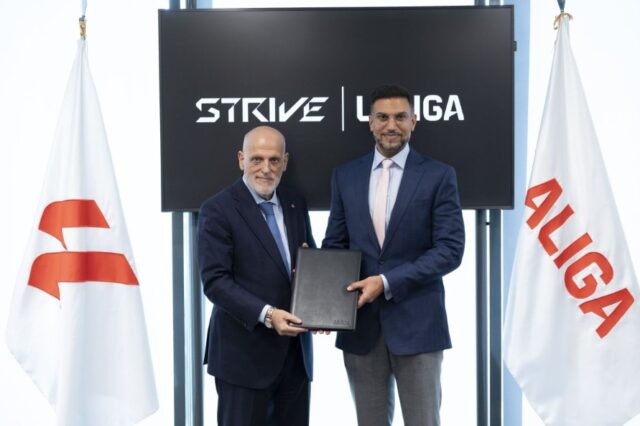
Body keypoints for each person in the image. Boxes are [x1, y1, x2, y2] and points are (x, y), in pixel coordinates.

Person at [322, 85, 465, 426]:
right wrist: (324, 301)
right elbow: (335, 244)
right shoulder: (345, 176)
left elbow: (450, 250)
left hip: (419, 326)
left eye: (400, 117)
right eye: (383, 117)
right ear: (370, 123)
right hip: (361, 328)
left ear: (413, 121)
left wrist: (386, 282)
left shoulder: (438, 175)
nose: (391, 125)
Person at [197, 126, 315, 426]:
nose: (266, 168)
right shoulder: (217, 209)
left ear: (285, 162)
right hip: (243, 360)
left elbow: (309, 260)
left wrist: (320, 308)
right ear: (241, 159)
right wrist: (268, 314)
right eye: (257, 159)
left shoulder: (295, 202)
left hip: (295, 359)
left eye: (274, 160)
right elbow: (215, 282)